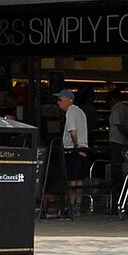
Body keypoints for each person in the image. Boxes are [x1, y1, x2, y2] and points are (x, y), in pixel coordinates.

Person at [53, 87, 91, 217]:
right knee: (79, 180)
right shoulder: (81, 112)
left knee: (72, 180)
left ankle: (70, 207)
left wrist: (76, 147)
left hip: (73, 150)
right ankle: (77, 206)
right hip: (84, 148)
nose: (58, 103)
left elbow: (73, 132)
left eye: (60, 99)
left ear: (68, 100)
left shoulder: (70, 112)